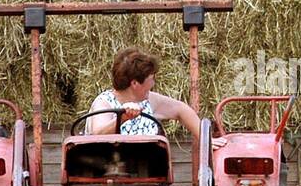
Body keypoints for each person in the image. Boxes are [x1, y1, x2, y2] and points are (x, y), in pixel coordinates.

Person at [87, 47, 225, 148]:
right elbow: (98, 134)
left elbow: (181, 110)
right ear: (135, 83)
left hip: (147, 171)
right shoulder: (104, 103)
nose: (153, 83)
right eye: (151, 79)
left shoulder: (149, 101)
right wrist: (122, 117)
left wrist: (205, 140)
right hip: (107, 171)